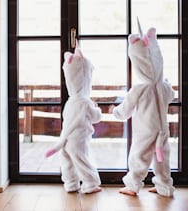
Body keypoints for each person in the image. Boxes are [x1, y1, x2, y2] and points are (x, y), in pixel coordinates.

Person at [109, 20, 175, 197]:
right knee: (162, 158)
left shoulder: (140, 88)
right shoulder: (163, 86)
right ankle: (165, 187)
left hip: (145, 130)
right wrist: (165, 82)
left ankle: (133, 185)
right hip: (162, 129)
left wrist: (115, 111)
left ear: (137, 63)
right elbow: (171, 96)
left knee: (139, 156)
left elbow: (125, 109)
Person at [45, 41, 102, 194]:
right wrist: (97, 109)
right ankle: (90, 183)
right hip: (78, 139)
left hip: (65, 138)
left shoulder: (70, 102)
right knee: (82, 161)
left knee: (68, 162)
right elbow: (95, 117)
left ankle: (71, 184)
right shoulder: (85, 102)